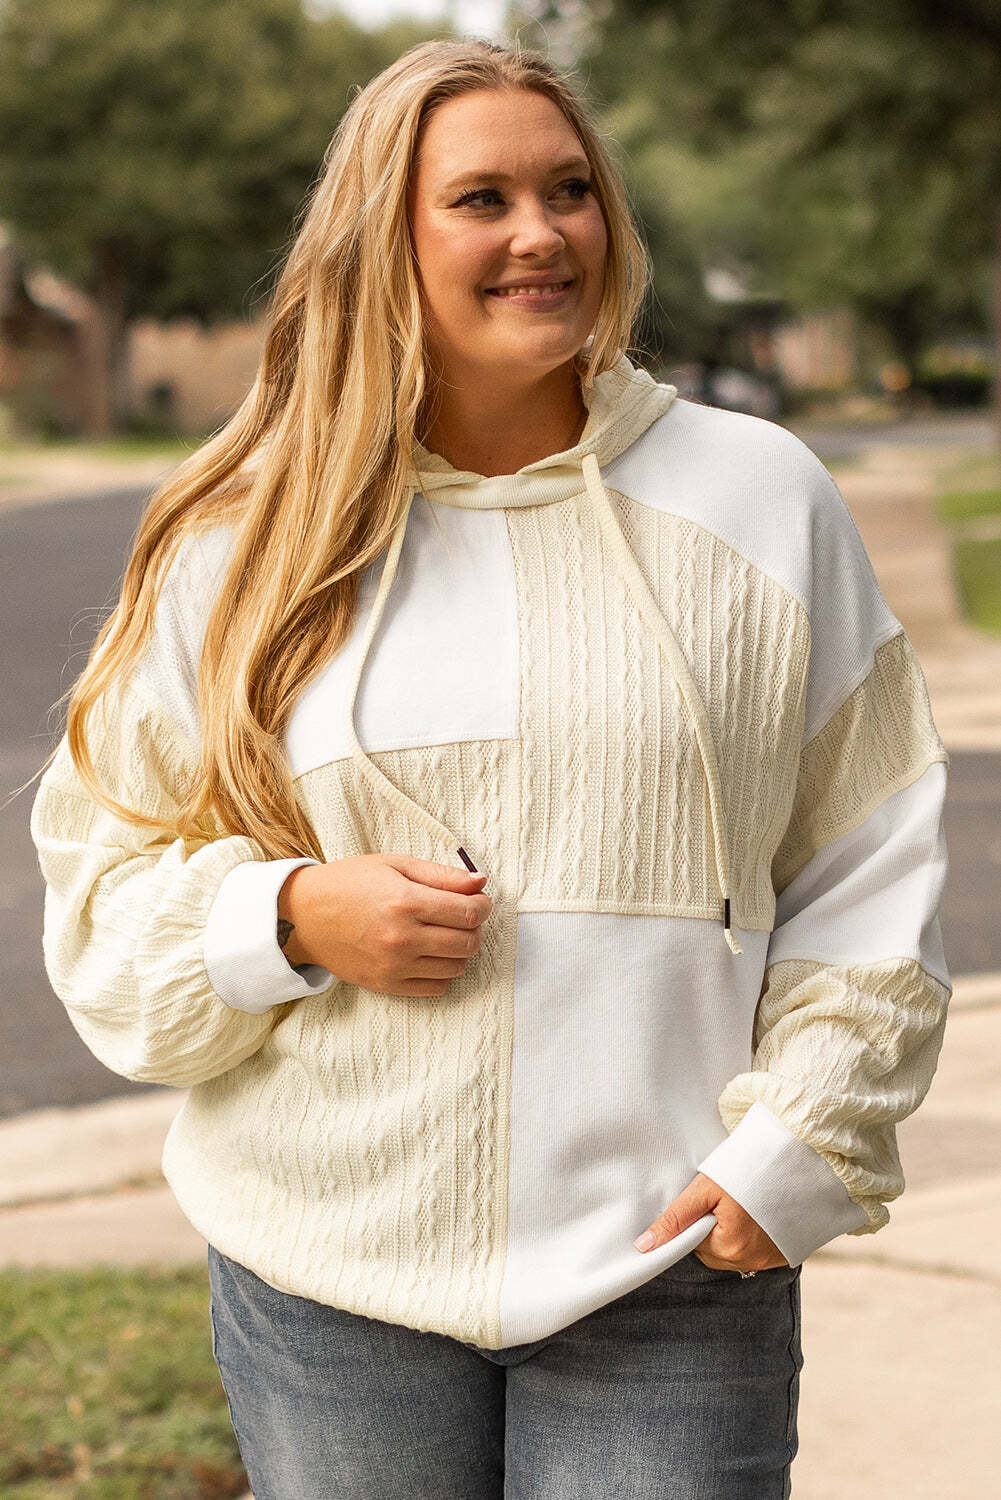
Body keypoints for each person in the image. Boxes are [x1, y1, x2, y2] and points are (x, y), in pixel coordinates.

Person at [29, 36, 952, 1500]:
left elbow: (869, 857)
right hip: (329, 1275)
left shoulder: (757, 494)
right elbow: (103, 885)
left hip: (669, 1260)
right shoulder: (245, 538)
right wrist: (287, 916)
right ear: (381, 242)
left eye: (568, 190)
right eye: (481, 200)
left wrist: (796, 1147)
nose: (542, 234)